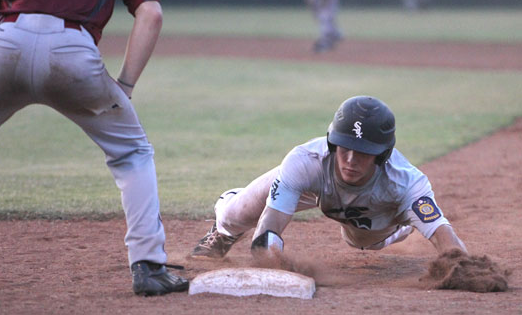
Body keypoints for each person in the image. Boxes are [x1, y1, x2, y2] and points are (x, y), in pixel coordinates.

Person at [0, 0, 188, 296]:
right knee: (132, 152)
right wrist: (126, 86)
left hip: (4, 46)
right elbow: (152, 14)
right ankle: (148, 267)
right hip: (71, 53)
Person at [191, 95, 467, 260]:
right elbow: (271, 223)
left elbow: (443, 235)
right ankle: (223, 233)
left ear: (381, 155)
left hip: (378, 205)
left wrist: (463, 267)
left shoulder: (406, 184)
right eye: (344, 148)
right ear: (333, 143)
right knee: (234, 213)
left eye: (363, 153)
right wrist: (268, 253)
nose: (350, 159)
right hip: (315, 186)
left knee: (362, 242)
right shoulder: (305, 161)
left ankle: (402, 225)